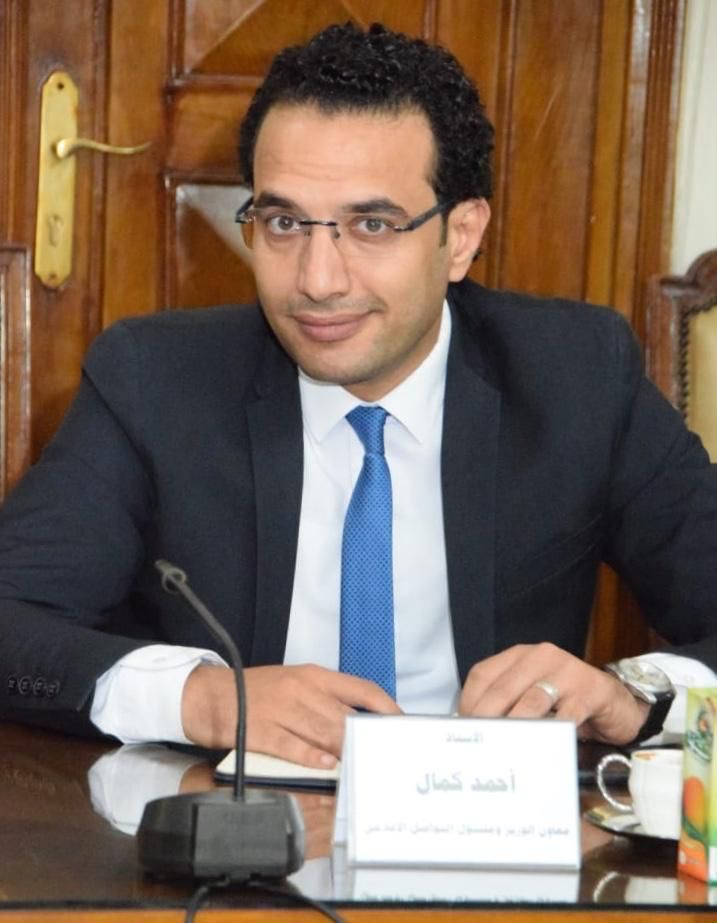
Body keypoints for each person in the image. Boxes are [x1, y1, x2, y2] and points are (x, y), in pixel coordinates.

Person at [1, 23, 716, 768]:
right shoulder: (154, 380)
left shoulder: (576, 376)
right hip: (229, 818)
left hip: (488, 814)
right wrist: (206, 698)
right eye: (284, 222)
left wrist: (635, 694)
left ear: (461, 236)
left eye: (371, 225)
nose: (317, 280)